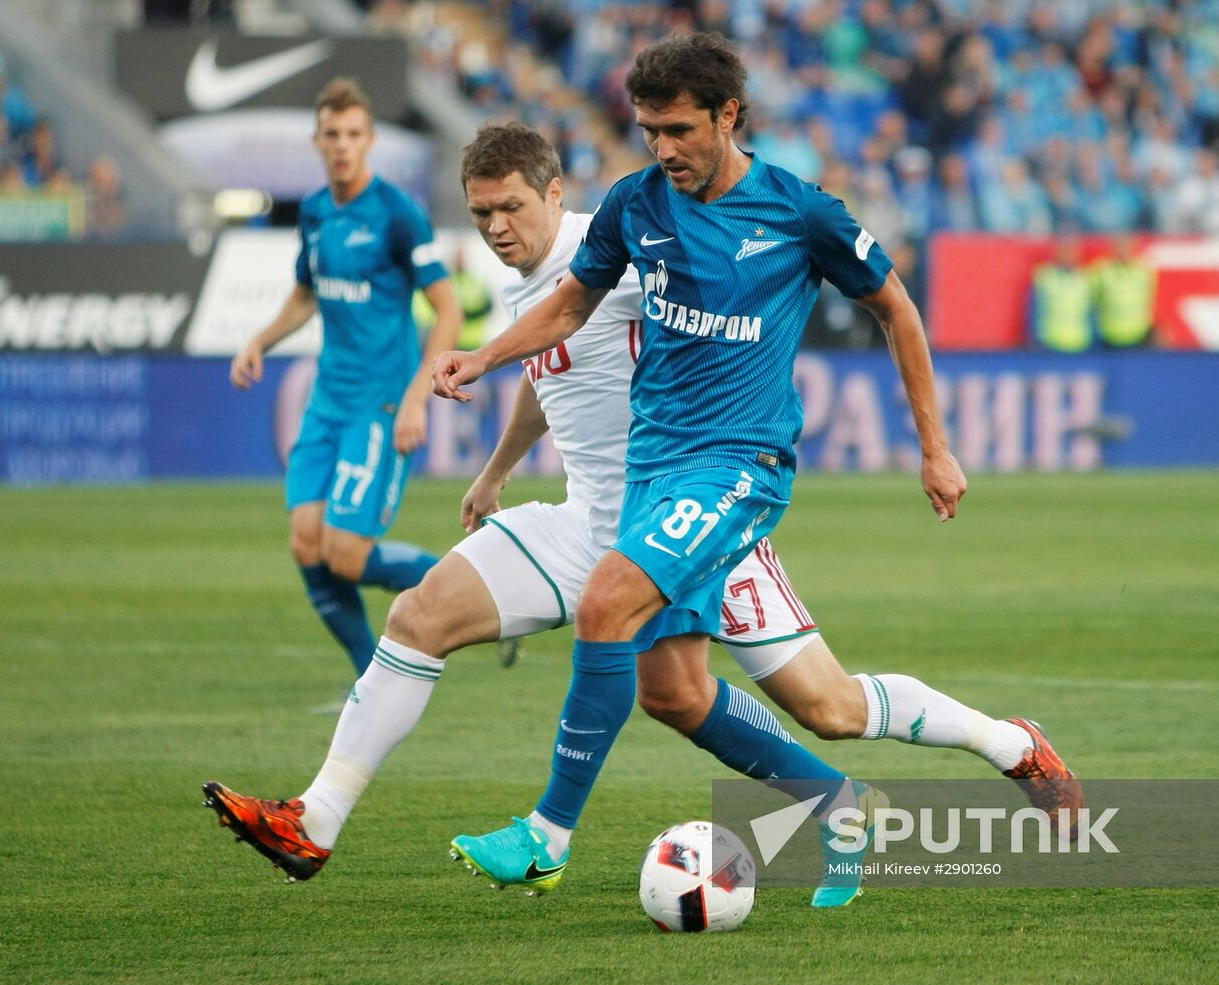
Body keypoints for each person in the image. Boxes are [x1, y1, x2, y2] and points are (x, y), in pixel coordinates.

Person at [202, 119, 1079, 906]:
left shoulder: (623, 244)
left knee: (828, 706)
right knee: (422, 614)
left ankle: (1001, 742)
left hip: (693, 521)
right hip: (590, 519)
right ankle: (313, 821)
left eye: (509, 207)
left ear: (554, 193)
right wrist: (497, 471)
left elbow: (665, 310)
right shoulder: (528, 283)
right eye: (479, 215)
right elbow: (554, 375)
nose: (496, 228)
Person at [436, 35, 1080, 893]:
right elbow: (572, 303)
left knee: (604, 602)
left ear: (727, 115)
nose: (661, 149)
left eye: (677, 130)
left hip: (738, 467)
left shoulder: (800, 212)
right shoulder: (638, 204)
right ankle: (982, 753)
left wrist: (934, 445)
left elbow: (897, 309)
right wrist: (484, 355)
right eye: (648, 131)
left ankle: (547, 835)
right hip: (656, 477)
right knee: (747, 699)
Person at [228, 77, 463, 677]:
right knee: (307, 543)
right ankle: (368, 674)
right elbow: (306, 295)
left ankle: (470, 588)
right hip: (327, 406)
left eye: (353, 134)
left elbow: (449, 309)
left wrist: (418, 397)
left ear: (370, 140)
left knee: (347, 555)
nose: (342, 145)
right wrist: (259, 339)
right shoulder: (313, 212)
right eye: (331, 135)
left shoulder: (397, 215)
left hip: (380, 407)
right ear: (317, 140)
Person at [1030, 232, 1095, 352]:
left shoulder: (1085, 278)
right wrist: (1036, 340)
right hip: (1051, 343)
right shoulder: (1045, 276)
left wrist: (1094, 341)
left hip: (1080, 343)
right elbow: (1035, 310)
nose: (1067, 255)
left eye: (1071, 250)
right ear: (1056, 252)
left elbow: (1092, 312)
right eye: (1064, 250)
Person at [1091, 234, 1156, 348]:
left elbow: (1150, 299)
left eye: (1126, 247)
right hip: (1110, 335)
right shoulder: (1102, 270)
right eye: (1119, 247)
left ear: (1132, 248)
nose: (1123, 251)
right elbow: (1094, 301)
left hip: (1139, 335)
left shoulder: (1143, 270)